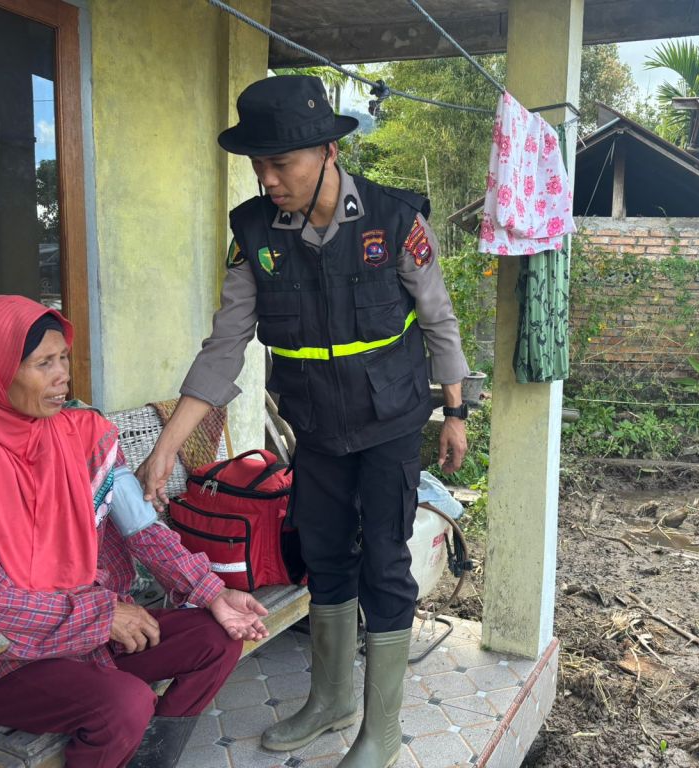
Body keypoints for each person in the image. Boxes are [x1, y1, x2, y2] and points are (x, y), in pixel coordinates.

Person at [137, 74, 470, 767]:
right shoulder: (254, 234)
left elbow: (439, 319)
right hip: (316, 429)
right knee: (321, 556)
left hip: (388, 423)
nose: (267, 179)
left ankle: (379, 732)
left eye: (280, 163)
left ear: (327, 150)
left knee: (384, 564)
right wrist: (167, 447)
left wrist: (456, 411)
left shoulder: (394, 219)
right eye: (257, 164)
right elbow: (224, 346)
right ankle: (331, 699)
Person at [0, 294, 270, 768]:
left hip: (92, 636)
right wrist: (99, 615)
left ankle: (146, 761)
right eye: (43, 363)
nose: (62, 374)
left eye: (62, 357)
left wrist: (212, 593)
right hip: (4, 659)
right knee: (125, 704)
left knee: (220, 637)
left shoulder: (83, 434)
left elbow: (143, 530)